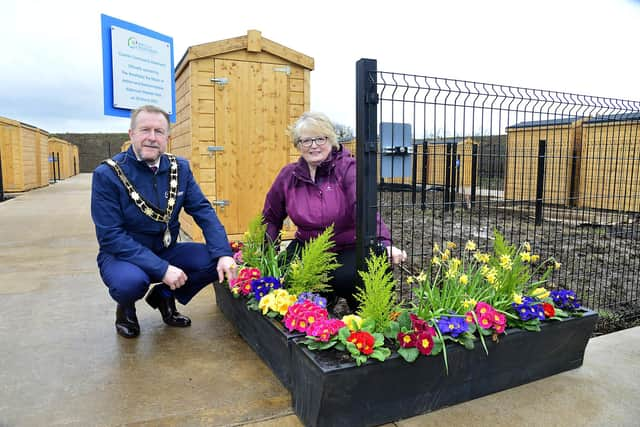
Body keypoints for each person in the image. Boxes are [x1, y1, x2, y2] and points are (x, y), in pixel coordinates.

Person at [91, 105, 236, 338]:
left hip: (165, 248)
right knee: (129, 284)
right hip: (123, 255)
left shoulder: (180, 168)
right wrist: (163, 269)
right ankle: (126, 308)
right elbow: (111, 236)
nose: (151, 137)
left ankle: (164, 296)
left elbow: (202, 211)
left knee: (214, 259)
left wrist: (224, 253)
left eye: (159, 132)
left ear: (168, 138)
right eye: (144, 130)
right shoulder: (108, 174)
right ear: (132, 135)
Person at [262, 111, 407, 311]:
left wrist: (384, 243)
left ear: (331, 140)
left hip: (348, 246)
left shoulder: (347, 168)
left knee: (356, 278)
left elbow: (363, 208)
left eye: (320, 139)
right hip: (308, 245)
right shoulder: (289, 175)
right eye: (306, 141)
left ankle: (367, 319)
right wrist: (265, 254)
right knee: (283, 281)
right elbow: (271, 216)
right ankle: (313, 314)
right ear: (298, 145)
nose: (314, 146)